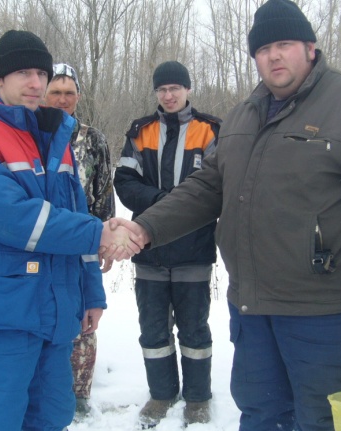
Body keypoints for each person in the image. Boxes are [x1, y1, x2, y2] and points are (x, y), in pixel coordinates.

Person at [107, 1, 341, 429]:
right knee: (261, 415)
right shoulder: (244, 115)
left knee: (323, 420)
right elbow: (207, 188)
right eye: (263, 49)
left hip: (325, 313)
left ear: (310, 48)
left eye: (285, 44)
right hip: (253, 309)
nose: (274, 55)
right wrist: (145, 228)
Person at [0, 29, 139, 431]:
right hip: (0, 312)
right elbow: (13, 218)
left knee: (51, 415)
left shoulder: (53, 137)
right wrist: (100, 233)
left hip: (54, 308)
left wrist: (90, 292)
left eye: (41, 74)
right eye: (23, 73)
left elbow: (76, 212)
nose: (35, 83)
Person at [113, 61, 220, 428]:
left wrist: (179, 212)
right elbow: (125, 181)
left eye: (175, 88)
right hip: (149, 250)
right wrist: (164, 204)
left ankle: (198, 398)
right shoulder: (140, 131)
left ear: (188, 89)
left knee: (194, 329)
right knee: (153, 329)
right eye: (162, 89)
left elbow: (215, 187)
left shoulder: (210, 130)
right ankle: (161, 394)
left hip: (194, 248)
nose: (169, 95)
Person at [44, 62, 115, 420]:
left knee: (85, 314)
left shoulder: (92, 139)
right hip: (42, 239)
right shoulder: (33, 136)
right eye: (55, 92)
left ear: (78, 96)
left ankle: (80, 392)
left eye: (68, 93)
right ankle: (47, 387)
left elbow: (103, 191)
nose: (62, 99)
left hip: (83, 241)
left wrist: (105, 238)